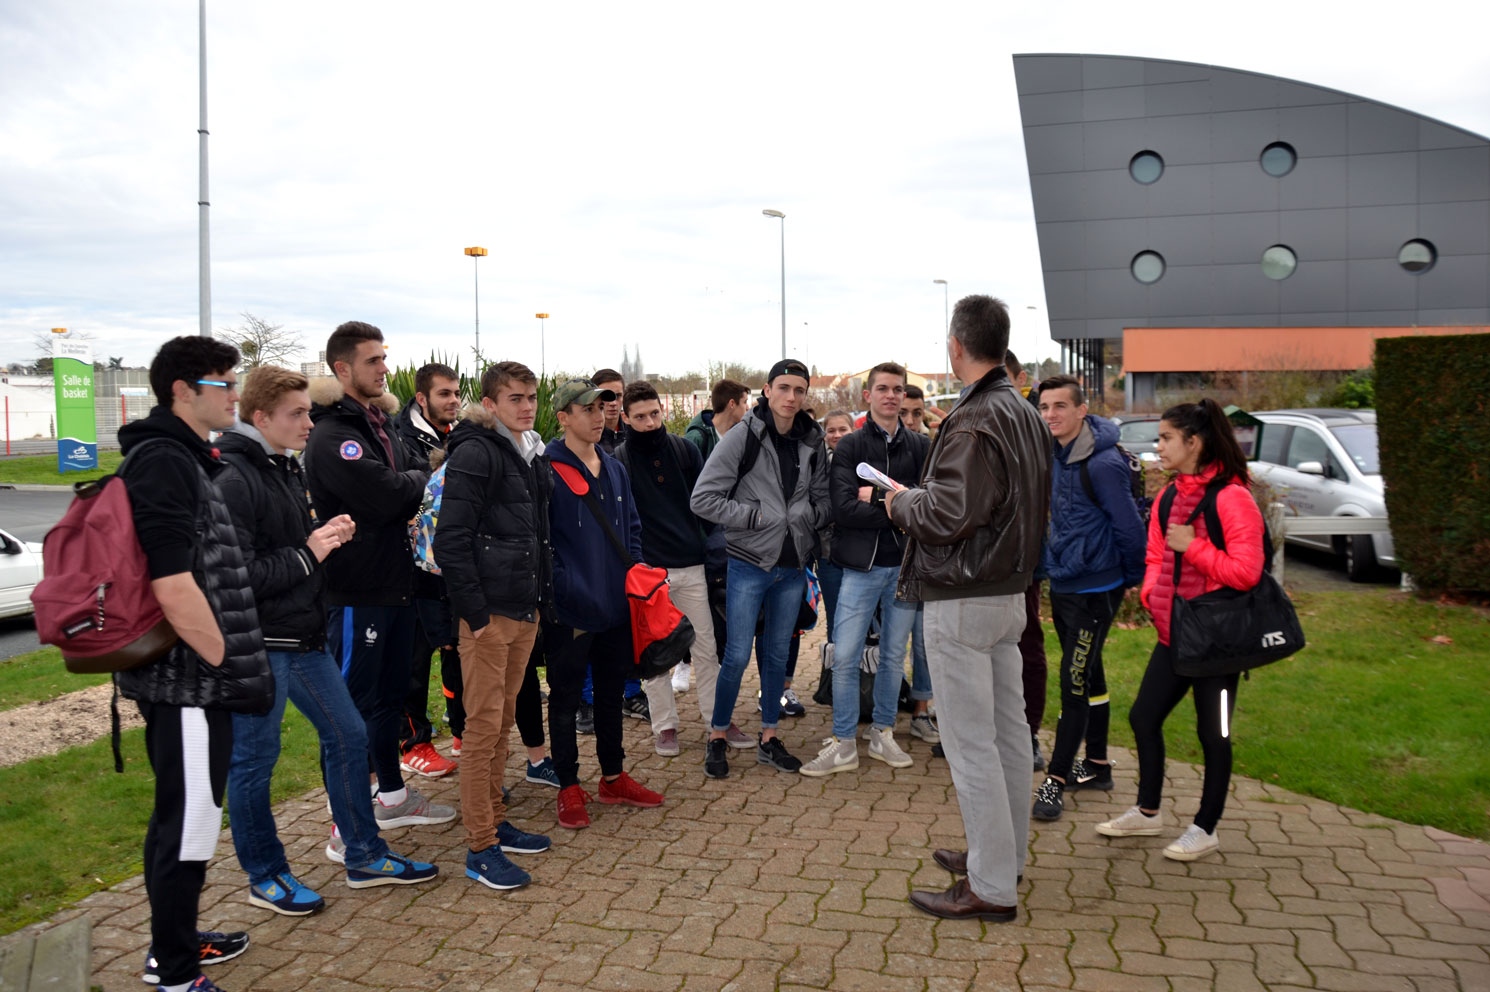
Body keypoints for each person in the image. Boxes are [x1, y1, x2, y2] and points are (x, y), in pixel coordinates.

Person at [218, 366, 438, 916]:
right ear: (261, 417)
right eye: (297, 413)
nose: (308, 422)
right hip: (257, 643)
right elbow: (230, 577)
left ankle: (364, 853)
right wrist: (310, 551)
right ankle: (266, 875)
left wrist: (318, 541)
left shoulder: (281, 467)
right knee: (253, 762)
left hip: (303, 634)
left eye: (309, 411)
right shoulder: (234, 477)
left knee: (348, 734)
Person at [886, 295, 1051, 922]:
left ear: (957, 346)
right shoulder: (1025, 412)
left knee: (971, 742)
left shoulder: (977, 417)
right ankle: (1000, 858)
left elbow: (949, 513)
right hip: (1008, 591)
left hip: (964, 593)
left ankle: (990, 885)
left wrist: (899, 505)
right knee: (1008, 734)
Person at [118, 336, 271, 992]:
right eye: (223, 382)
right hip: (188, 681)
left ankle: (171, 941)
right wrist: (222, 659)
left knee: (181, 817)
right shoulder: (163, 461)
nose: (235, 392)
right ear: (183, 390)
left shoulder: (185, 456)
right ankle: (177, 973)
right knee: (190, 822)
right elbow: (172, 580)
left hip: (193, 678)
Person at [1096, 399, 1264, 861]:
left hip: (1219, 645)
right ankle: (1148, 812)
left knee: (1216, 735)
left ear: (1196, 442)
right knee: (1143, 718)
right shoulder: (1171, 494)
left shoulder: (1233, 498)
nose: (1159, 445)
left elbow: (1247, 572)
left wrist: (1195, 548)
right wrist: (1151, 592)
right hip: (1174, 636)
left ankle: (1205, 827)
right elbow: (1154, 552)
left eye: (1167, 437)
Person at [303, 321, 454, 833]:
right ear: (343, 368)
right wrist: (413, 483)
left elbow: (414, 477)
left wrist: (409, 482)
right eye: (373, 361)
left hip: (397, 585)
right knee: (351, 708)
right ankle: (343, 818)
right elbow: (394, 492)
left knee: (391, 697)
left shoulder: (380, 425)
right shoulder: (333, 435)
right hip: (356, 591)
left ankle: (391, 796)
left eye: (384, 358)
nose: (384, 369)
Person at [435, 360, 554, 890]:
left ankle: (495, 820)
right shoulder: (478, 452)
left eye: (531, 397)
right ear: (489, 404)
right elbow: (451, 541)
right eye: (515, 399)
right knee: (481, 731)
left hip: (521, 610)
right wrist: (477, 618)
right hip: (488, 617)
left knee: (501, 724)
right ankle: (480, 846)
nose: (527, 406)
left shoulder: (526, 451)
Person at [691, 359, 830, 779]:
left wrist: (807, 519)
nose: (791, 397)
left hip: (792, 568)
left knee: (774, 656)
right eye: (783, 388)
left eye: (799, 390)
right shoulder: (742, 437)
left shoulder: (812, 439)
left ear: (806, 395)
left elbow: (822, 497)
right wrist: (754, 517)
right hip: (749, 565)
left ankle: (769, 737)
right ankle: (717, 737)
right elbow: (703, 499)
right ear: (767, 391)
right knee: (734, 656)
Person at [544, 378, 666, 828]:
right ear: (563, 417)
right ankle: (568, 786)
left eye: (603, 407)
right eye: (588, 409)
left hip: (616, 607)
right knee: (566, 699)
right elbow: (542, 544)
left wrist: (632, 574)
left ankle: (613, 777)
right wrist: (565, 587)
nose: (599, 416)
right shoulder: (547, 469)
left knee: (612, 696)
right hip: (571, 612)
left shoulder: (614, 467)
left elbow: (632, 526)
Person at [800, 363, 929, 777]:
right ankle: (842, 743)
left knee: (893, 657)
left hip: (906, 568)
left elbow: (928, 505)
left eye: (898, 389)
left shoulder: (920, 447)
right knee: (846, 656)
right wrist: (897, 504)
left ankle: (883, 733)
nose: (891, 396)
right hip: (859, 568)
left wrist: (876, 498)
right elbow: (843, 508)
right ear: (867, 396)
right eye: (883, 389)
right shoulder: (852, 445)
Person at [1029, 374, 1145, 823]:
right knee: (1089, 674)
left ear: (1082, 410)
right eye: (1045, 407)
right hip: (1065, 582)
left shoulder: (1102, 464)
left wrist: (1131, 581)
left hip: (1097, 589)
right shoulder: (1056, 454)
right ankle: (1097, 765)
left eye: (1060, 406)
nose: (1051, 415)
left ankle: (1056, 780)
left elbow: (1130, 529)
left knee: (1073, 681)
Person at [614, 381, 721, 757]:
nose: (649, 422)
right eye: (639, 416)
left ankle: (716, 723)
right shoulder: (619, 460)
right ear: (625, 417)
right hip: (648, 575)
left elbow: (707, 501)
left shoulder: (684, 449)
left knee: (706, 649)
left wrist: (707, 543)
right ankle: (665, 727)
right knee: (655, 655)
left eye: (654, 414)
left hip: (691, 565)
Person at [394, 362, 462, 780]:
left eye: (456, 393)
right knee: (413, 659)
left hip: (450, 566)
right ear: (422, 399)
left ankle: (461, 731)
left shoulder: (458, 436)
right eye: (444, 394)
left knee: (456, 649)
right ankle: (412, 742)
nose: (453, 400)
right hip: (411, 570)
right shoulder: (403, 439)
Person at [1007, 350, 1049, 771]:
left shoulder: (1036, 425)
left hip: (1024, 561)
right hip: (982, 564)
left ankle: (1029, 733)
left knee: (1026, 645)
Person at [684, 378, 751, 463]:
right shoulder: (696, 438)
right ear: (732, 404)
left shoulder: (739, 436)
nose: (748, 407)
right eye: (745, 402)